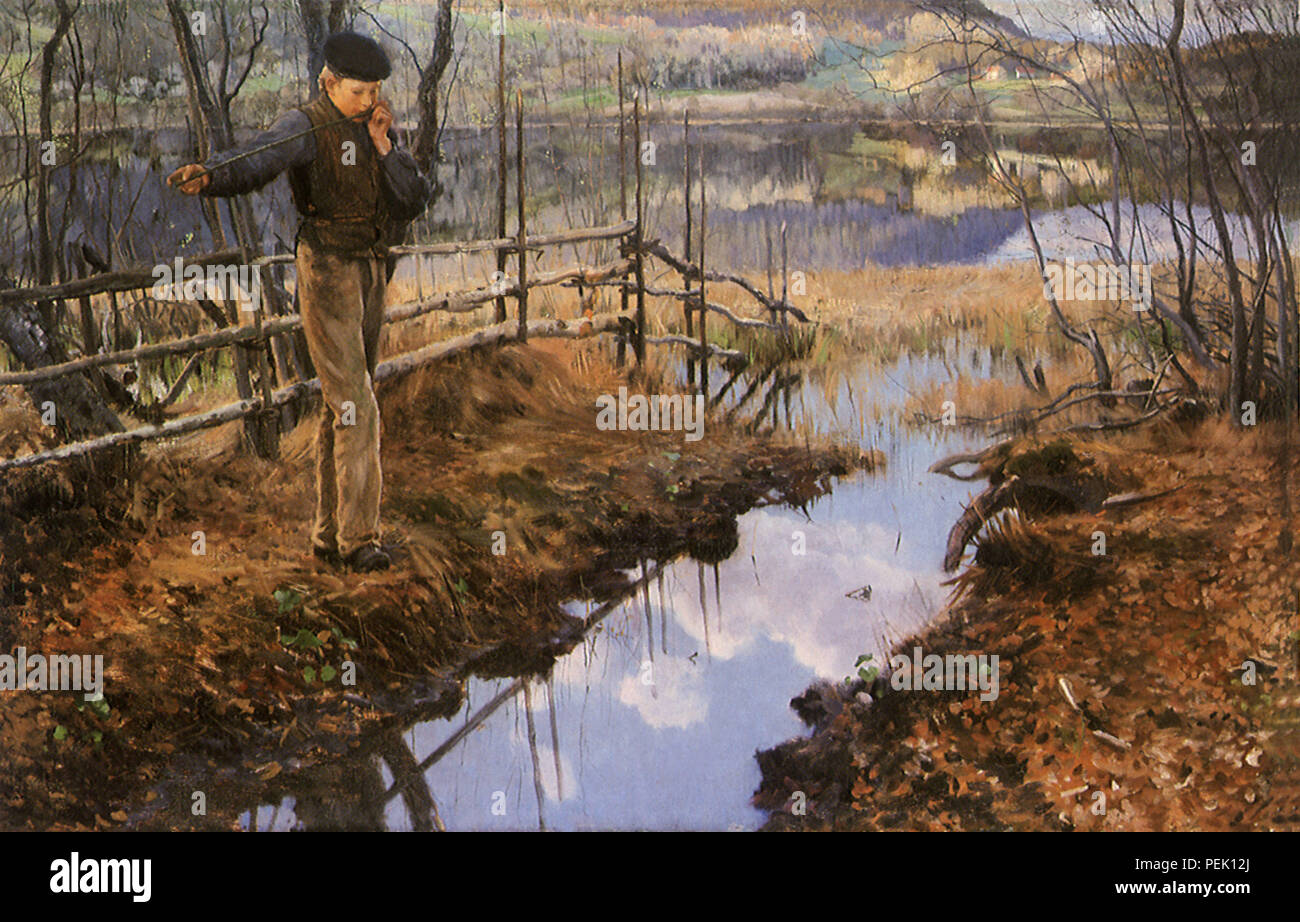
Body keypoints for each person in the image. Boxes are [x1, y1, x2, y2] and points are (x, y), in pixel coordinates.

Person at [169, 32, 431, 573]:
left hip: (370, 270)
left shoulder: (376, 126)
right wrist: (213, 174)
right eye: (359, 92)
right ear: (330, 82)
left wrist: (385, 144)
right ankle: (359, 540)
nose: (369, 101)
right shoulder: (305, 125)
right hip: (329, 272)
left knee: (346, 404)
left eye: (375, 91)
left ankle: (328, 533)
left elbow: (413, 200)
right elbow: (259, 158)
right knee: (356, 402)